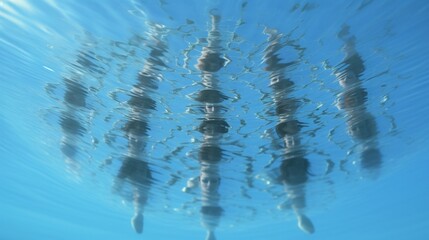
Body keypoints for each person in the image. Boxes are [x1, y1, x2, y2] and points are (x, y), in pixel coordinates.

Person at [112, 25, 167, 234]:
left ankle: (156, 44)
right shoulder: (139, 105)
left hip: (135, 156)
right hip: (135, 156)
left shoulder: (138, 105)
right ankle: (156, 44)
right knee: (134, 185)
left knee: (131, 185)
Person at [263, 28, 314, 234]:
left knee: (278, 84)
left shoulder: (294, 170)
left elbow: (281, 152)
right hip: (292, 164)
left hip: (292, 163)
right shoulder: (294, 172)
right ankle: (275, 39)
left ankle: (275, 40)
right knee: (278, 84)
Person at [335, 25, 382, 173]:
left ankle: (347, 42)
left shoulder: (367, 138)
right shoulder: (365, 139)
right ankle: (347, 42)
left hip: (354, 104)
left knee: (352, 74)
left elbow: (364, 118)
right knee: (353, 74)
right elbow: (362, 119)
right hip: (354, 104)